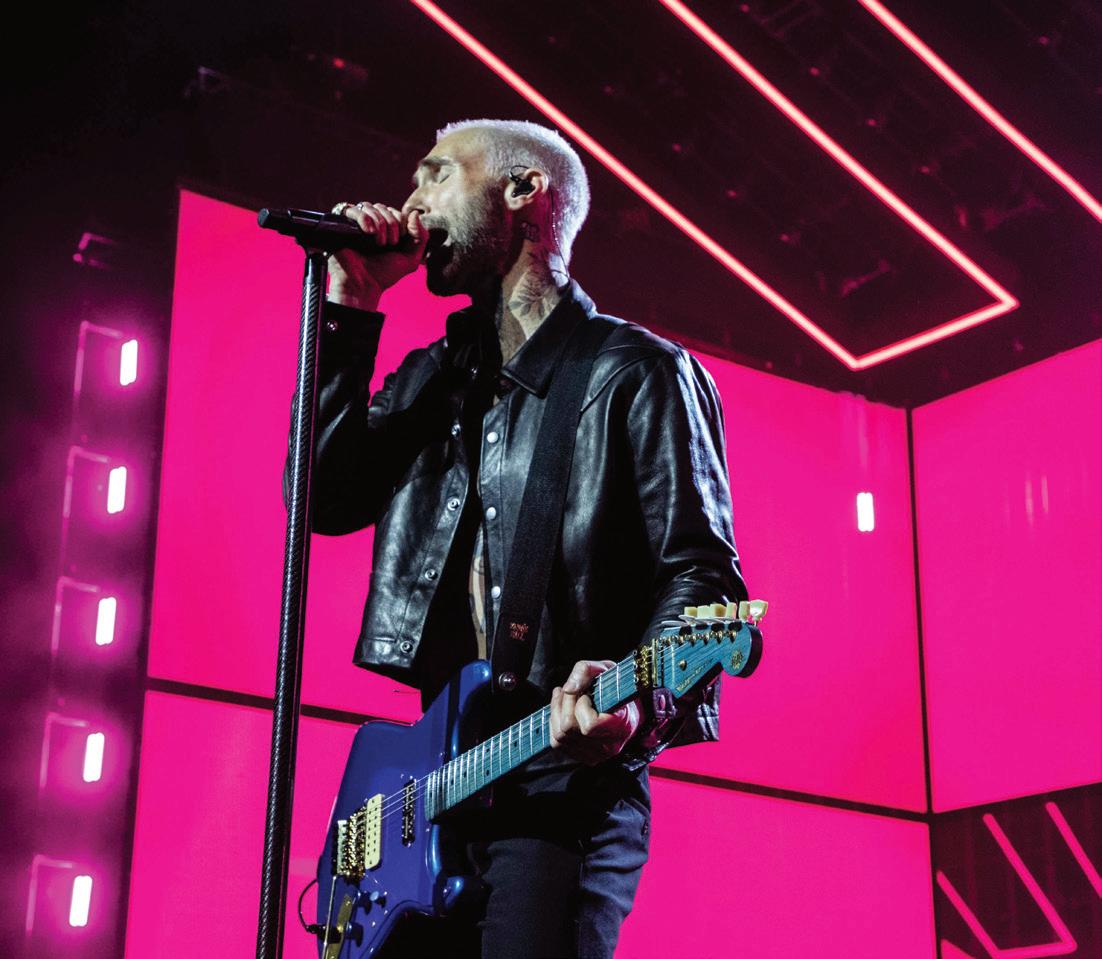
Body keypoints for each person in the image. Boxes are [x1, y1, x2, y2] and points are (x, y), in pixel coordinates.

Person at [304, 118, 747, 958]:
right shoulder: (433, 378)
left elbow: (703, 579)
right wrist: (352, 306)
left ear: (522, 191)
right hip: (432, 782)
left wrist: (639, 705)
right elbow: (322, 498)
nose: (411, 201)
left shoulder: (635, 371)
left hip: (562, 787)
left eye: (437, 174)